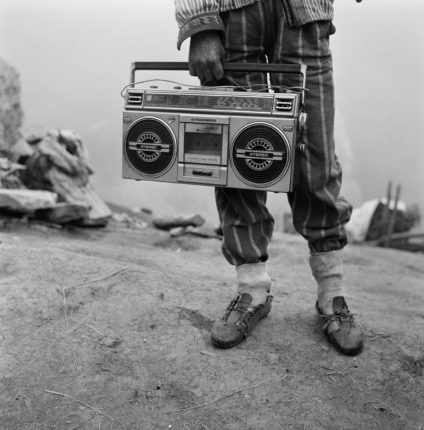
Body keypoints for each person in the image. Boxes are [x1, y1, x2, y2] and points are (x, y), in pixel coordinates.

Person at [174, 0, 364, 355]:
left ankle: (331, 292)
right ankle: (252, 289)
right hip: (234, 15)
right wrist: (200, 23)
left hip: (305, 14)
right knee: (238, 157)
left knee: (316, 157)